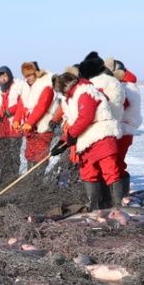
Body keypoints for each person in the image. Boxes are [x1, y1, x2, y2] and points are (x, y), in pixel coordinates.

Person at [52, 70, 124, 211]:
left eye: (61, 90)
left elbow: (86, 116)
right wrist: (62, 142)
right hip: (85, 141)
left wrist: (72, 135)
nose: (62, 94)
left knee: (110, 170)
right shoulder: (70, 99)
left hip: (101, 136)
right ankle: (94, 206)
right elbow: (72, 121)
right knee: (88, 172)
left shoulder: (86, 92)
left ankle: (117, 206)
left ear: (66, 86)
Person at [105, 57, 142, 192]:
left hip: (123, 129)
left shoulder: (125, 87)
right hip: (125, 129)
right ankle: (120, 193)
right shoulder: (127, 85)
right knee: (117, 162)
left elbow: (120, 105)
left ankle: (119, 195)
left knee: (117, 163)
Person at [14, 62, 55, 165]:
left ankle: (38, 179)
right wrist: (16, 120)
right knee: (30, 155)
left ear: (36, 73)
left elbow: (41, 106)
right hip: (30, 128)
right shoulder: (26, 87)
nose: (28, 78)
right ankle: (30, 178)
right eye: (26, 76)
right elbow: (21, 105)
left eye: (30, 75)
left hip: (42, 128)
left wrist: (30, 122)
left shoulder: (46, 86)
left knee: (40, 157)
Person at [0, 66, 22, 178]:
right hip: (0, 127)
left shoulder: (18, 88)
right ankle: (5, 176)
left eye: (5, 75)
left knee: (14, 154)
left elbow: (22, 103)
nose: (3, 78)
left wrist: (11, 110)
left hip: (14, 126)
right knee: (2, 154)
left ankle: (14, 177)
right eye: (0, 76)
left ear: (10, 76)